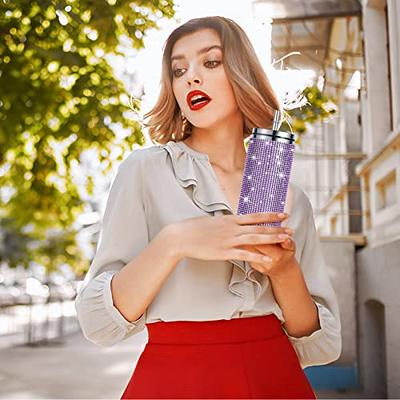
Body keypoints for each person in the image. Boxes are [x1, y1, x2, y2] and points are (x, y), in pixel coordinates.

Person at [75, 16, 342, 399]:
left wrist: (284, 270)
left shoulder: (287, 195)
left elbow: (318, 345)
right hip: (174, 380)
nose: (190, 78)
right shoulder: (145, 171)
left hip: (274, 377)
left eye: (210, 62)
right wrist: (175, 241)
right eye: (178, 70)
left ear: (240, 72)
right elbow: (98, 325)